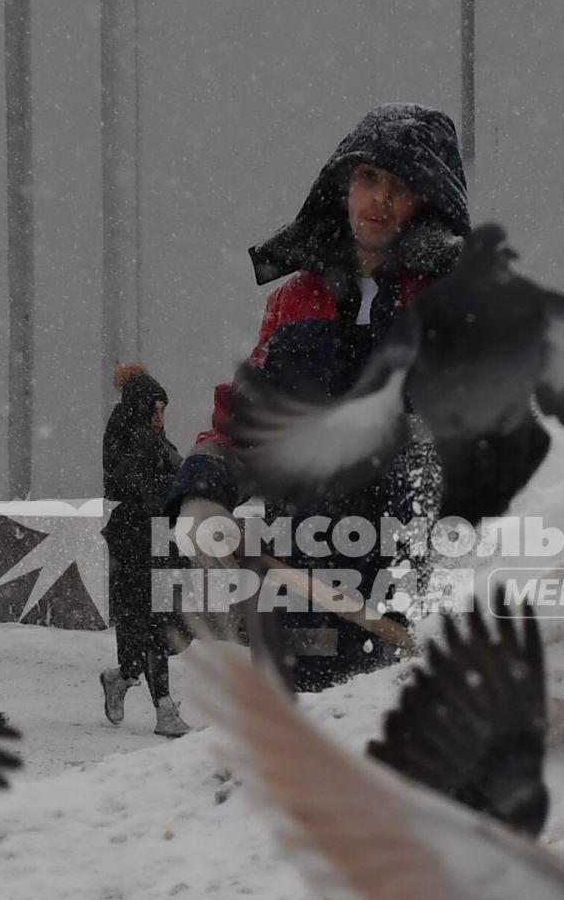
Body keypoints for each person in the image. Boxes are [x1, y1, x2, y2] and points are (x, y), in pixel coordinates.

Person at [166, 103, 469, 692]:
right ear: (343, 184)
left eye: (402, 186)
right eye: (368, 178)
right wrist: (203, 492)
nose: (379, 200)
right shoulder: (294, 302)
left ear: (428, 202)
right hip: (298, 596)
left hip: (409, 600)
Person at [99, 363, 190, 737]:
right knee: (147, 626)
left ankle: (120, 679)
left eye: (164, 409)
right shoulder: (125, 436)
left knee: (161, 627)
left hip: (161, 541)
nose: (160, 416)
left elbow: (176, 481)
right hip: (133, 542)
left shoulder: (161, 443)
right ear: (140, 406)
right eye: (156, 408)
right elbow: (122, 484)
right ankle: (164, 708)